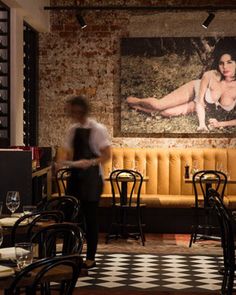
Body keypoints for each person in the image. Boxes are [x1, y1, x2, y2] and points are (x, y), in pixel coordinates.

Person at [58, 95, 111, 269]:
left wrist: (90, 162)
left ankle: (90, 257)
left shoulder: (98, 129)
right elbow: (68, 154)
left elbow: (107, 155)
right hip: (75, 177)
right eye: (72, 112)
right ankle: (69, 255)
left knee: (90, 219)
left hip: (92, 179)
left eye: (77, 111)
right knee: (69, 216)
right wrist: (60, 163)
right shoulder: (72, 130)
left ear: (83, 110)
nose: (74, 115)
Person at [127, 49, 236, 131]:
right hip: (194, 91)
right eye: (221, 63)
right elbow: (200, 101)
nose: (225, 67)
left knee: (166, 112)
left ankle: (137, 107)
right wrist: (201, 124)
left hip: (199, 106)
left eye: (229, 62)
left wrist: (220, 124)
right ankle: (135, 101)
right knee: (159, 105)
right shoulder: (211, 75)